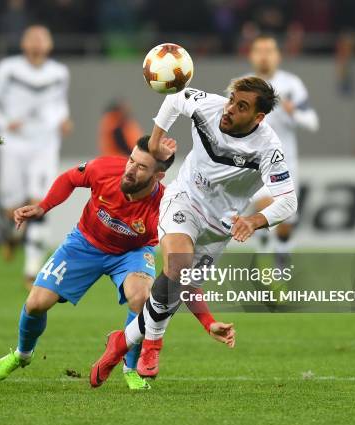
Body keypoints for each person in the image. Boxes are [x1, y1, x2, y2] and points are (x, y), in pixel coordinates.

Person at [90, 76, 298, 387]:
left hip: (220, 225)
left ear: (258, 117)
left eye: (241, 107)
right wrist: (157, 139)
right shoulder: (209, 107)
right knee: (177, 266)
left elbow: (289, 201)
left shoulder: (268, 148)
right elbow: (175, 99)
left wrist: (254, 221)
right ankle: (152, 346)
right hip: (184, 199)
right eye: (232, 100)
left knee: (176, 288)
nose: (230, 109)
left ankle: (120, 343)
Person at [0, 136, 174, 390]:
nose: (130, 169)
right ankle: (22, 354)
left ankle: (130, 369)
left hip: (133, 252)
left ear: (158, 176)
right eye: (131, 160)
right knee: (36, 303)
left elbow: (176, 242)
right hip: (85, 242)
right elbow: (70, 179)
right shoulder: (106, 169)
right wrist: (43, 207)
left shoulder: (165, 205)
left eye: (141, 167)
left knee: (141, 299)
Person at [0, 25, 73, 288]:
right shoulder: (7, 69)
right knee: (12, 209)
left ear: (50, 44)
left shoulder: (59, 72)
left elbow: (58, 103)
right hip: (13, 145)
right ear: (23, 43)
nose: (38, 42)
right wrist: (6, 122)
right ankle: (12, 236)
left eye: (43, 37)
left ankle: (32, 271)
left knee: (38, 203)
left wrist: (63, 120)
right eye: (33, 37)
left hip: (45, 145)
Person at [247, 35, 319, 264]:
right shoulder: (242, 85)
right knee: (265, 207)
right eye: (259, 50)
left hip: (286, 162)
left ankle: (281, 258)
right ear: (251, 56)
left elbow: (312, 122)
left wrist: (292, 112)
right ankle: (264, 261)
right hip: (255, 162)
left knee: (285, 221)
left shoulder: (291, 85)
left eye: (269, 50)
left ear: (277, 56)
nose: (264, 55)